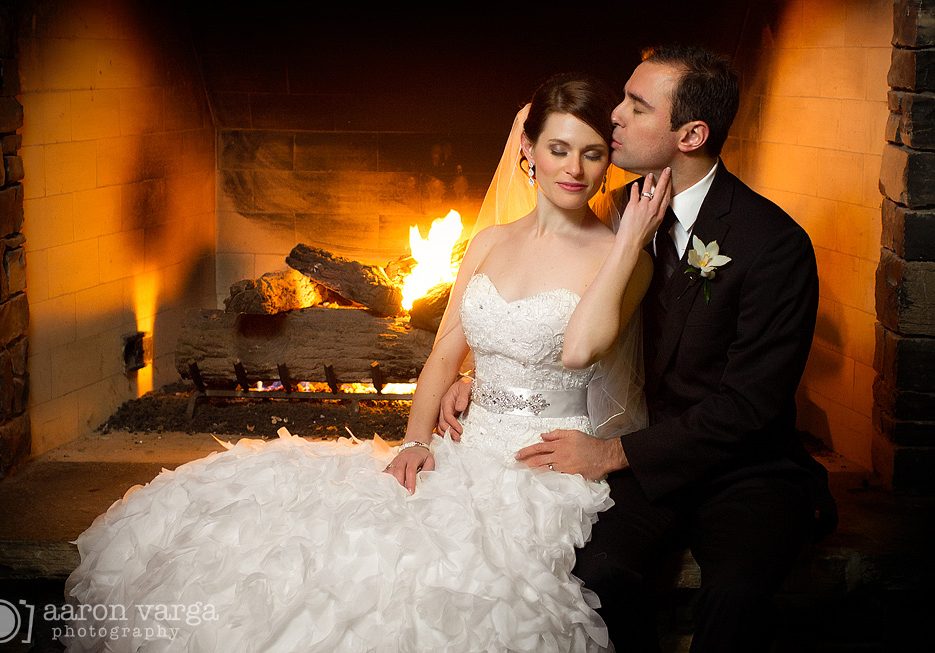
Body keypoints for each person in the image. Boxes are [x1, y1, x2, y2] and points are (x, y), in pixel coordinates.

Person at [62, 72, 670, 653]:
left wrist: (624, 248)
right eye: (558, 148)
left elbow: (578, 351)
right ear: (528, 151)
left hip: (546, 469)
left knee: (446, 584)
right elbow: (444, 352)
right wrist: (414, 440)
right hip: (467, 450)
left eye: (592, 153)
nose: (574, 168)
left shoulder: (621, 256)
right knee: (329, 545)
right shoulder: (489, 241)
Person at [439, 45, 838, 653]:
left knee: (733, 595)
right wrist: (496, 378)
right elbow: (569, 319)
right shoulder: (620, 209)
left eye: (636, 106)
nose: (615, 118)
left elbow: (749, 409)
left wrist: (615, 453)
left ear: (691, 133)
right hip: (646, 463)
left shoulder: (772, 245)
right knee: (590, 577)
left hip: (741, 470)